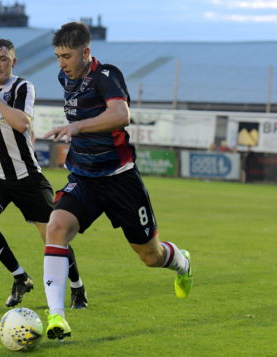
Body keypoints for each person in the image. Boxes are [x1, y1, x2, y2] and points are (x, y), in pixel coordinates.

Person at [42, 22, 193, 340]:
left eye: (66, 56)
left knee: (150, 256)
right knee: (56, 228)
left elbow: (121, 114)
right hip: (84, 177)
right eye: (57, 56)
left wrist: (77, 127)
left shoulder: (106, 75)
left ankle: (180, 262)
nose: (61, 63)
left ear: (85, 52)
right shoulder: (64, 78)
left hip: (121, 179)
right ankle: (57, 318)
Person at [0, 38, 88, 309]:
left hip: (27, 176)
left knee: (55, 236)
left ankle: (77, 286)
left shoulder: (22, 87)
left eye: (3, 59)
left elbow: (21, 123)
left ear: (13, 62)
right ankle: (20, 278)